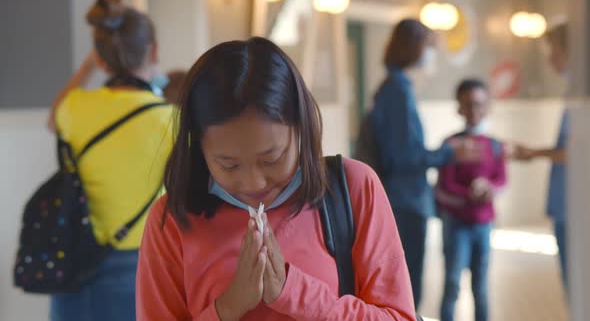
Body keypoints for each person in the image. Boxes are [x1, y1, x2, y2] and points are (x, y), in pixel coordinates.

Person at [136, 37, 417, 320]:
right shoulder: (172, 220)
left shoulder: (353, 188)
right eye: (229, 165)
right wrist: (229, 307)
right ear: (198, 148)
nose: (254, 182)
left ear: (302, 129)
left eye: (272, 159)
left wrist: (293, 292)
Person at [47, 0, 173, 321]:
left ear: (101, 60)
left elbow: (53, 117)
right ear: (154, 51)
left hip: (77, 260)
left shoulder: (75, 108)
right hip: (143, 262)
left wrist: (92, 62)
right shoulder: (173, 119)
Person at [369, 18, 478, 309]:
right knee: (406, 290)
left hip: (404, 199)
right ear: (415, 48)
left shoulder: (394, 88)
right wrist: (449, 152)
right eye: (430, 47)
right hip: (404, 202)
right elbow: (406, 158)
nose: (432, 55)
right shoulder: (398, 90)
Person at [436, 79, 507, 321]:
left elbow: (502, 180)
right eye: (468, 104)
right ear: (459, 107)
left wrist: (489, 188)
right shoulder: (451, 145)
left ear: (487, 106)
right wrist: (469, 195)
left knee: (481, 287)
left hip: (483, 225)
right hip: (456, 226)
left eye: (479, 104)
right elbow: (444, 188)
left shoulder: (495, 146)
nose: (474, 110)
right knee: (453, 284)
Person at [513, 22, 569, 290]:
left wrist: (534, 152)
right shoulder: (573, 93)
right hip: (565, 207)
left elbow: (575, 152)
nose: (550, 58)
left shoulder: (580, 97)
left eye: (554, 50)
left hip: (573, 209)